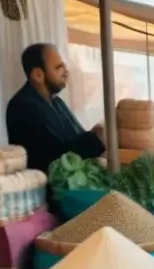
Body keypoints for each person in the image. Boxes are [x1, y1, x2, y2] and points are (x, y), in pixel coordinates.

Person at [6, 43, 105, 173]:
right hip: (46, 189)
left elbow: (77, 137)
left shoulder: (57, 102)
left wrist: (96, 135)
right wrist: (96, 138)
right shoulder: (22, 107)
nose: (66, 72)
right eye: (59, 68)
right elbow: (53, 158)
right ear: (38, 75)